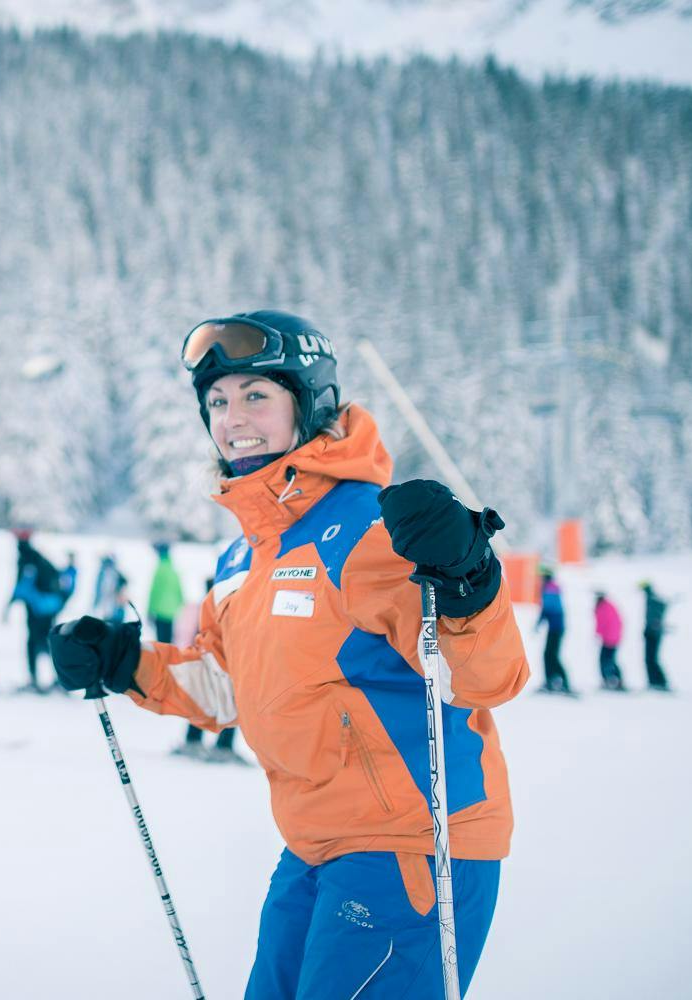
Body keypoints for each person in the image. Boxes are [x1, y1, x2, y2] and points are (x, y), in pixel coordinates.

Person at [47, 311, 528, 999]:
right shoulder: (244, 555)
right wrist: (123, 661)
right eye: (217, 401)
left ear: (309, 403)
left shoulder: (370, 527)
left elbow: (483, 678)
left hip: (412, 843)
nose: (233, 417)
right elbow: (228, 685)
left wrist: (465, 578)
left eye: (256, 396)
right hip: (313, 846)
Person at [170, 576, 249, 765]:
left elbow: (191, 634)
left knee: (205, 701)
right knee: (228, 703)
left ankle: (196, 740)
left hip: (207, 661)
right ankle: (220, 745)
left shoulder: (205, 607)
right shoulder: (226, 607)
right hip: (223, 664)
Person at [9, 530, 74, 694]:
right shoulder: (40, 557)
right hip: (48, 609)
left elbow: (22, 583)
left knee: (33, 642)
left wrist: (10, 602)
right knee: (49, 642)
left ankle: (35, 679)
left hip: (36, 609)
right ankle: (58, 679)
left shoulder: (26, 558)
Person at [535, 567, 574, 694]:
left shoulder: (551, 588)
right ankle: (551, 680)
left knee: (552, 655)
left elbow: (550, 609)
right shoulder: (549, 587)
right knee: (549, 654)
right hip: (554, 627)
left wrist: (540, 621)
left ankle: (564, 682)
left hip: (556, 628)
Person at [147, 541, 184, 642]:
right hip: (172, 611)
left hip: (160, 611)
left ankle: (163, 657)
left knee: (161, 641)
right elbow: (179, 589)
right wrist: (181, 605)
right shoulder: (173, 569)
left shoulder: (159, 569)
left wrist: (149, 609)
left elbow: (154, 592)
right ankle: (168, 657)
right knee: (168, 640)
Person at [640, 580, 672, 691]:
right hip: (652, 632)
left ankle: (659, 681)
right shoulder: (651, 599)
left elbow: (655, 617)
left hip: (653, 634)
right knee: (650, 659)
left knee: (651, 659)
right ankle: (654, 681)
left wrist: (653, 627)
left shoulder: (653, 599)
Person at [593, 590, 625, 691]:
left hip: (609, 638)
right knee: (610, 659)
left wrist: (598, 633)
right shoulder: (608, 606)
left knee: (605, 660)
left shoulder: (603, 607)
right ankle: (617, 680)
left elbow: (602, 623)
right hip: (613, 637)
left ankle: (609, 680)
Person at [92, 554, 129, 624]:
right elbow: (99, 592)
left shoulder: (116, 575)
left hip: (114, 610)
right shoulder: (102, 575)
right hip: (107, 611)